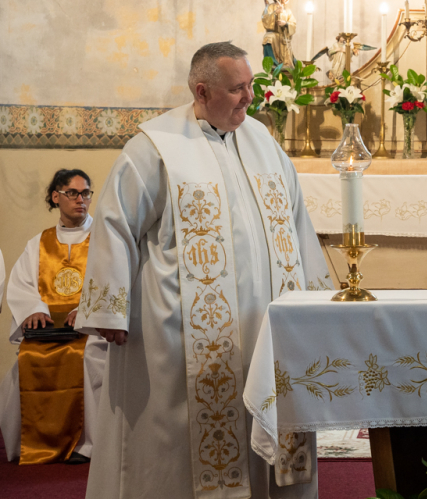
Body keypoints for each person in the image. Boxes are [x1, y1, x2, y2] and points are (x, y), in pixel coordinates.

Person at [76, 42, 332, 498]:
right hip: (184, 335)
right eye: (237, 89)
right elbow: (115, 223)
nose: (249, 97)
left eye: (250, 85)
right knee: (182, 447)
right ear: (201, 91)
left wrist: (315, 303)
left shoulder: (264, 143)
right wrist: (110, 309)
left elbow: (296, 223)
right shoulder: (155, 147)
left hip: (268, 330)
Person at [0, 169, 108, 464]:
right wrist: (34, 309)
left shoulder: (103, 238)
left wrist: (85, 309)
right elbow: (22, 284)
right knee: (26, 358)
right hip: (48, 326)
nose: (81, 199)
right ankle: (36, 441)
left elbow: (112, 280)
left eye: (86, 193)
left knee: (88, 358)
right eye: (73, 193)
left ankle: (87, 445)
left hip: (91, 328)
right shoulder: (38, 242)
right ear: (56, 197)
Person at [261, 0, 297, 67]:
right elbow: (265, 19)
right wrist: (275, 13)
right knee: (268, 38)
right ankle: (272, 62)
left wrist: (286, 24)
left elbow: (293, 24)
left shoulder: (288, 11)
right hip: (274, 34)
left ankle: (291, 63)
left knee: (289, 58)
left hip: (283, 37)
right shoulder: (270, 7)